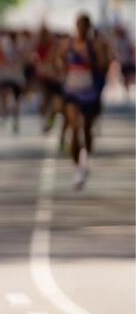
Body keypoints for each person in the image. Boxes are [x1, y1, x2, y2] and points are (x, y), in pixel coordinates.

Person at [58, 13, 111, 190]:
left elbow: (105, 65)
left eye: (84, 26)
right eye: (78, 25)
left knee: (86, 130)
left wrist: (93, 62)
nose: (81, 29)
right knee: (74, 129)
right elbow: (58, 60)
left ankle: (85, 160)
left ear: (89, 28)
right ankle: (77, 168)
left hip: (89, 93)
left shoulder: (96, 46)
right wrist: (62, 68)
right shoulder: (67, 45)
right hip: (72, 91)